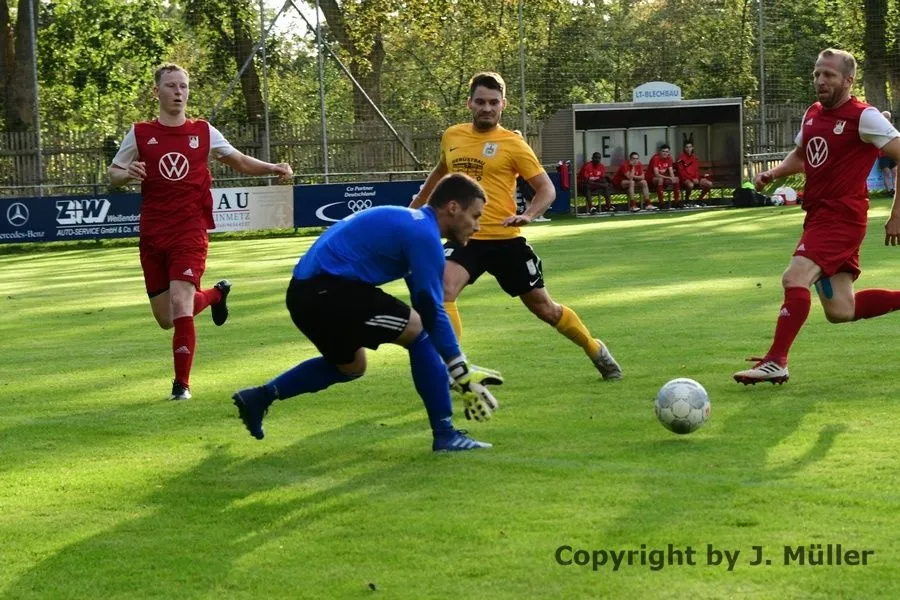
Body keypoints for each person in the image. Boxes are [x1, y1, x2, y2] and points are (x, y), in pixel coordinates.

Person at [232, 173, 500, 452]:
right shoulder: (424, 234)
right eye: (475, 216)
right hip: (329, 292)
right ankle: (445, 434)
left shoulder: (412, 224)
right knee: (418, 332)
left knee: (351, 367)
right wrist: (459, 368)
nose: (477, 226)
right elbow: (430, 309)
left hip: (303, 295)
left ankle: (260, 397)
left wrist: (452, 366)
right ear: (453, 208)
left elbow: (423, 297)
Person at [409, 72, 622, 380]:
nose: (487, 108)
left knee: (546, 309)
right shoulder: (452, 136)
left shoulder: (513, 144)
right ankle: (455, 370)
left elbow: (546, 189)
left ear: (503, 105)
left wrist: (529, 215)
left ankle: (594, 348)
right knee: (443, 291)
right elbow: (441, 172)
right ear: (469, 103)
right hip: (466, 238)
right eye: (480, 102)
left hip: (506, 239)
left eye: (493, 102)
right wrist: (415, 207)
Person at [109, 63, 294, 400]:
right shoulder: (139, 133)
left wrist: (273, 167)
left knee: (180, 302)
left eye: (183, 86)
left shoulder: (204, 131)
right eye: (171, 86)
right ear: (157, 92)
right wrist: (127, 173)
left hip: (190, 230)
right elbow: (114, 173)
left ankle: (181, 386)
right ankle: (216, 295)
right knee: (166, 318)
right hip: (153, 233)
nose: (178, 92)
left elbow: (239, 161)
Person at [733, 48, 900, 385]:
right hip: (818, 216)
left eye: (829, 75)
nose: (820, 80)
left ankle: (776, 361)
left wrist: (897, 213)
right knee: (841, 311)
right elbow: (801, 155)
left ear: (848, 80)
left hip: (841, 219)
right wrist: (774, 173)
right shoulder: (812, 114)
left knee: (794, 277)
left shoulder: (864, 117)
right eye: (817, 74)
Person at [648, 144, 681, 209]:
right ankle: (661, 203)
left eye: (667, 152)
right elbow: (656, 174)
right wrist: (669, 178)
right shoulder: (655, 158)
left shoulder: (669, 158)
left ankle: (676, 202)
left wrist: (673, 178)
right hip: (652, 178)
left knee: (676, 179)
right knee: (660, 179)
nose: (665, 153)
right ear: (660, 152)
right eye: (663, 151)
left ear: (669, 152)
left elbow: (671, 172)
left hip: (664, 178)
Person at [878, 111, 897, 195]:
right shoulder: (878, 127)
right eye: (885, 117)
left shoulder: (892, 128)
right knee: (887, 173)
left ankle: (895, 190)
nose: (886, 118)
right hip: (883, 155)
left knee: (895, 172)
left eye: (888, 117)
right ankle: (889, 190)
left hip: (892, 154)